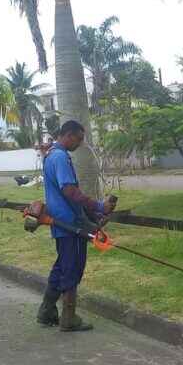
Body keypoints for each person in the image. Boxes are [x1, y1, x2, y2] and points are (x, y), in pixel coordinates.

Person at [37, 120, 117, 332]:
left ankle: (46, 311)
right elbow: (70, 191)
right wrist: (99, 205)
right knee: (72, 269)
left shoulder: (51, 155)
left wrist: (93, 214)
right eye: (79, 139)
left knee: (62, 266)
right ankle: (68, 318)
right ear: (69, 135)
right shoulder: (61, 157)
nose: (80, 143)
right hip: (70, 224)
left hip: (61, 221)